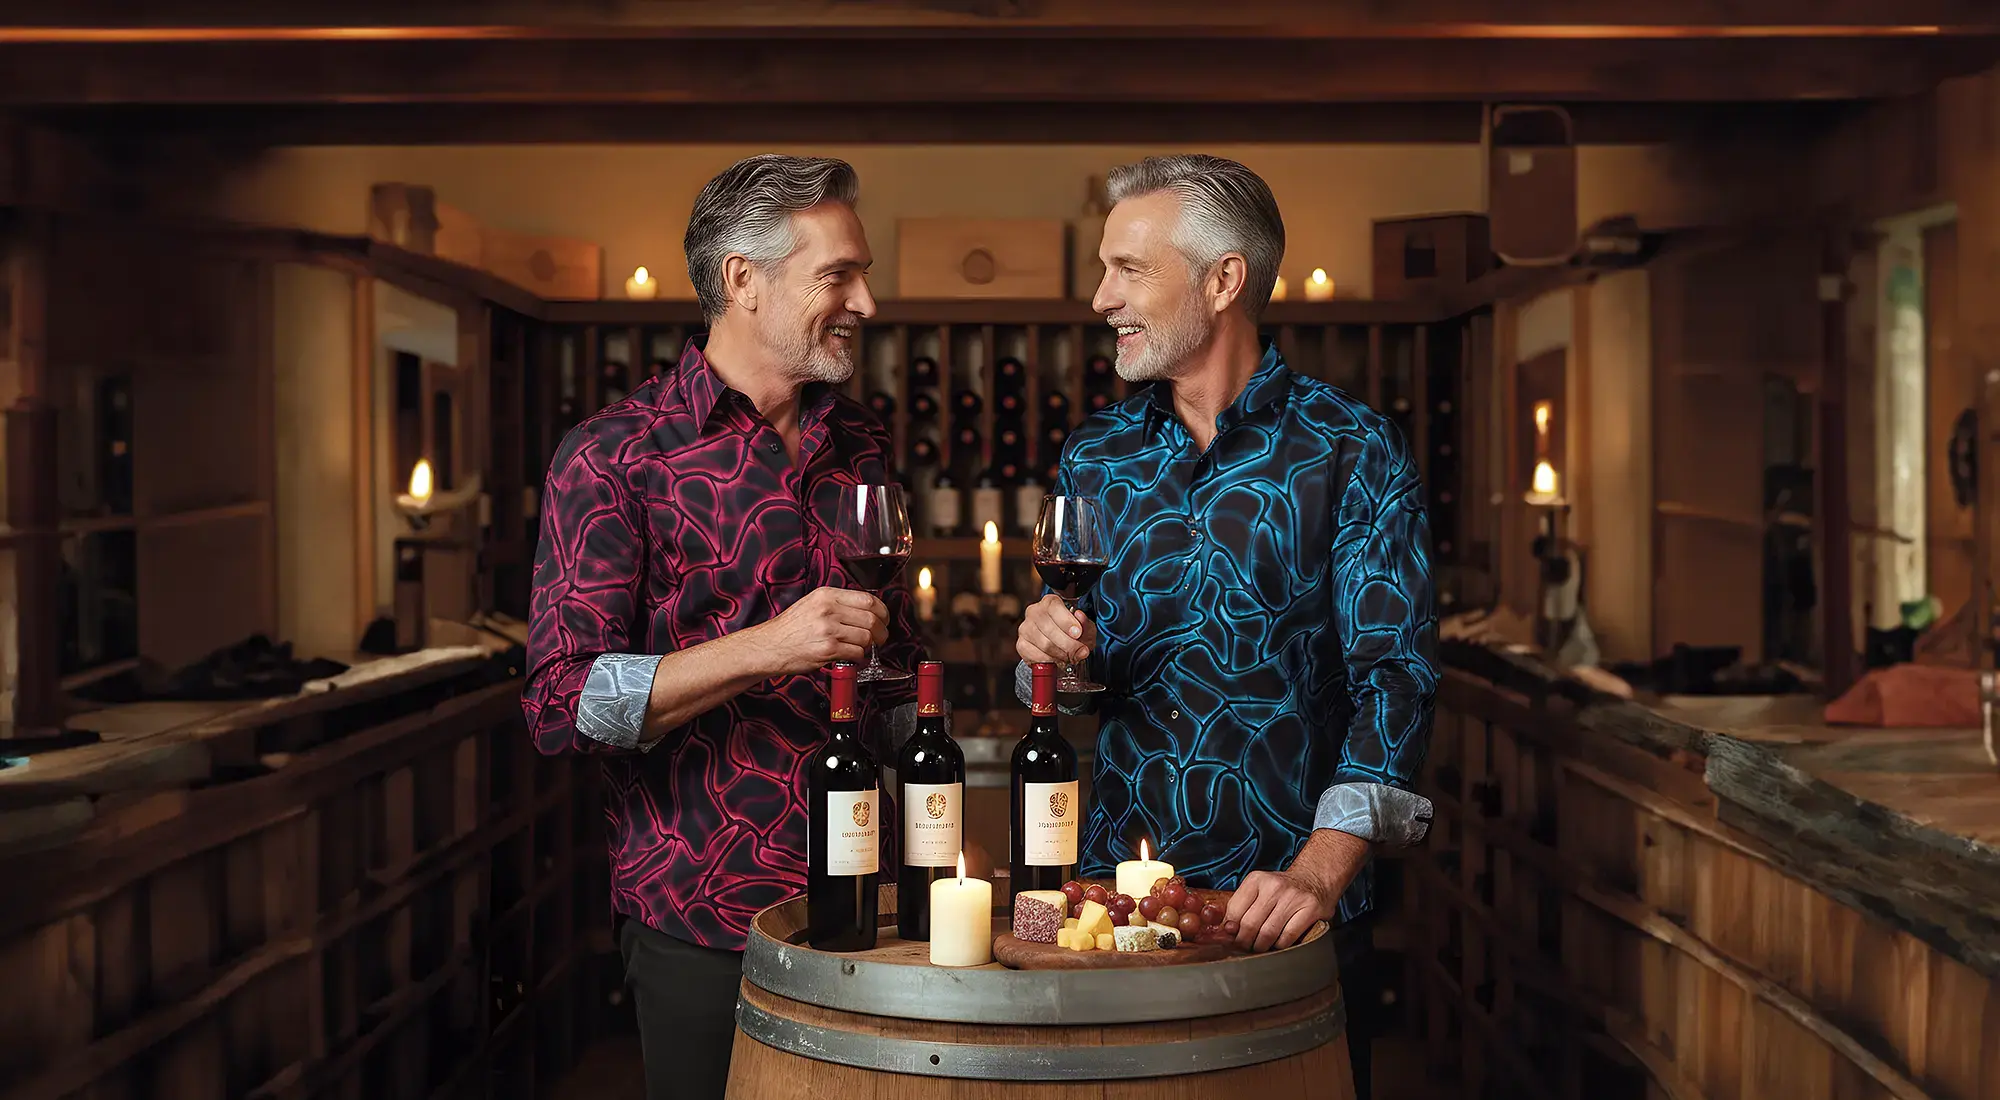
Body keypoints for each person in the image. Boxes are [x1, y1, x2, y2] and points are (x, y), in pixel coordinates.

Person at [1013, 154, 1436, 1099]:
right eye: (1102, 269)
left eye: (1128, 269)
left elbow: (1396, 679)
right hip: (1107, 903)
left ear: (1224, 278)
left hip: (1287, 908)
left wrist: (1322, 874)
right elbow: (1077, 688)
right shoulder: (1098, 454)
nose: (1099, 298)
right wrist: (1043, 652)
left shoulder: (1353, 449)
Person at [522, 154, 924, 1100]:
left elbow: (893, 663)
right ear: (744, 279)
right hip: (704, 908)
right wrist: (772, 647)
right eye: (839, 275)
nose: (865, 301)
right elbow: (559, 704)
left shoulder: (860, 440)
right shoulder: (614, 456)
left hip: (877, 891)